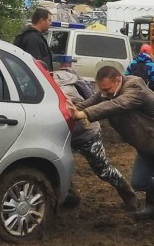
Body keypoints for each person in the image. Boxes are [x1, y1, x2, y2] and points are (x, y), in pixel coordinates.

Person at [66, 65, 154, 228]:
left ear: (118, 79)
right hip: (146, 143)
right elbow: (91, 101)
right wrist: (70, 110)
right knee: (139, 182)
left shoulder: (134, 88)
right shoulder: (108, 92)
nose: (104, 93)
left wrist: (84, 115)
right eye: (102, 90)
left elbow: (118, 105)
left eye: (107, 89)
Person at [52, 56, 138, 212]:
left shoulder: (63, 88)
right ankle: (70, 197)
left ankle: (129, 195)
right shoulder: (42, 86)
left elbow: (89, 104)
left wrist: (79, 112)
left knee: (103, 170)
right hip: (64, 134)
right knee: (58, 164)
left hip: (86, 132)